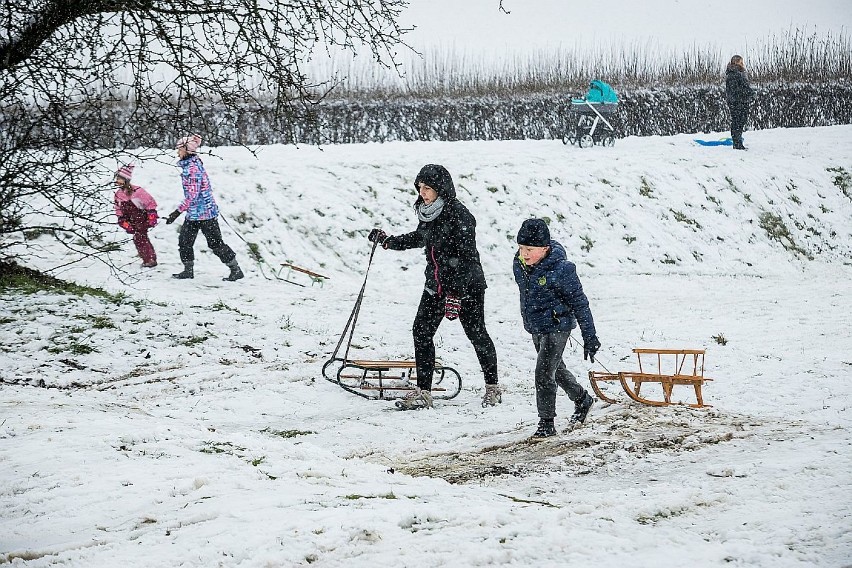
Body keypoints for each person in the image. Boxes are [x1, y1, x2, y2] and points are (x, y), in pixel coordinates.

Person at [368, 164, 500, 410]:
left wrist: (456, 294)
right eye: (420, 188)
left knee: (476, 334)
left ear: (441, 189)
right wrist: (389, 242)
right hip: (435, 286)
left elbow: (467, 259)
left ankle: (492, 387)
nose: (422, 193)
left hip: (466, 287)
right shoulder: (428, 212)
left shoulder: (460, 216)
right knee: (421, 332)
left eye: (427, 188)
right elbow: (420, 238)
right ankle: (424, 392)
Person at [512, 219, 600, 438]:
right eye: (521, 248)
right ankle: (582, 399)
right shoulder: (520, 264)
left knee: (543, 373)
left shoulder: (562, 269)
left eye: (529, 249)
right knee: (556, 370)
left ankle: (546, 424)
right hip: (536, 325)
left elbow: (580, 302)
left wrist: (590, 336)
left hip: (557, 325)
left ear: (545, 248)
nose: (524, 253)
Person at [165, 134, 244, 281]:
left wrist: (176, 212)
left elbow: (192, 195)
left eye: (179, 149)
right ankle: (188, 271)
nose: (177, 152)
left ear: (187, 150)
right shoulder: (190, 165)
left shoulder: (193, 168)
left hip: (205, 214)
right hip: (194, 214)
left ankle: (235, 270)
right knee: (184, 241)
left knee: (215, 244)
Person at [113, 164, 158, 268]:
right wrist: (122, 219)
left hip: (140, 218)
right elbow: (118, 209)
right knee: (140, 238)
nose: (117, 181)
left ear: (126, 180)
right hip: (130, 220)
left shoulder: (137, 191)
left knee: (140, 238)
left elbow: (150, 203)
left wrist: (151, 215)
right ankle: (149, 257)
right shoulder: (118, 194)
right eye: (117, 178)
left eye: (120, 178)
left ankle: (149, 259)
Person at [725, 55, 756, 151]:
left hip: (737, 100)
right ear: (736, 62)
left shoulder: (735, 73)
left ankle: (737, 142)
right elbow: (740, 88)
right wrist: (750, 92)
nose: (742, 64)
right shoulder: (735, 73)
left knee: (738, 122)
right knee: (738, 122)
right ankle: (737, 143)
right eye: (741, 62)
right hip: (738, 101)